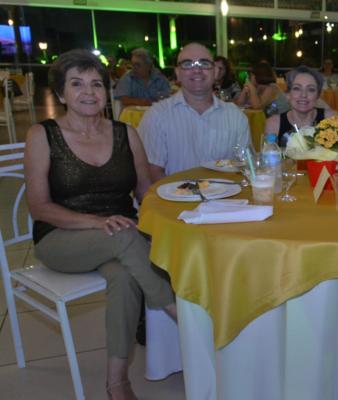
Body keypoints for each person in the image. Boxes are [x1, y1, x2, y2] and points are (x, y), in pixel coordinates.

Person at [24, 49, 177, 400]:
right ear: (61, 94)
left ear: (106, 91)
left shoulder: (126, 133)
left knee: (125, 276)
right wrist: (95, 222)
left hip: (118, 234)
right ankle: (181, 314)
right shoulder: (42, 135)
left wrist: (178, 205)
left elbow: (145, 192)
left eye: (96, 84)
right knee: (125, 235)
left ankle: (116, 382)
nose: (88, 92)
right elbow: (39, 207)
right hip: (61, 237)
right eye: (77, 84)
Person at [138, 43, 251, 182]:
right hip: (172, 195)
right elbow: (151, 172)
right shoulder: (156, 116)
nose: (197, 70)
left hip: (227, 195)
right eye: (187, 64)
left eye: (204, 63)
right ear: (177, 73)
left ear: (216, 72)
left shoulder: (236, 117)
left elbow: (245, 169)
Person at [264, 65, 336, 148]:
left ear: (318, 96)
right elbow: (268, 154)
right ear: (288, 94)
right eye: (297, 88)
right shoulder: (274, 124)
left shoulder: (331, 120)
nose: (303, 95)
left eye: (311, 89)